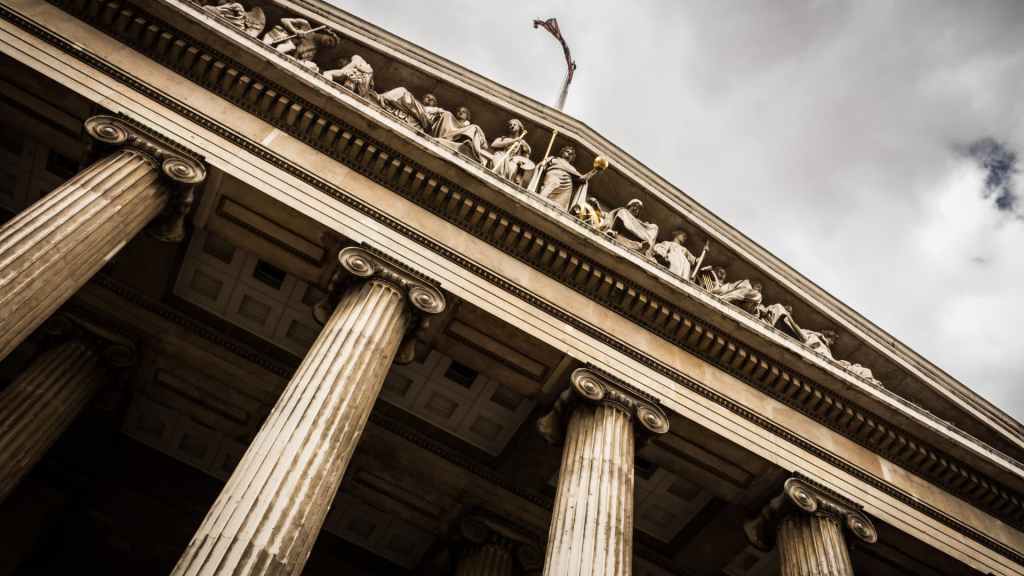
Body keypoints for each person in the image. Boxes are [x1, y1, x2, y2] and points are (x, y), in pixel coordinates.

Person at [261, 17, 338, 72]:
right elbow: (284, 20)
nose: (328, 43)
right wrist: (294, 31)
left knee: (289, 47)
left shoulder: (311, 52)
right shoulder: (305, 25)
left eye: (330, 45)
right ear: (327, 34)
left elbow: (299, 63)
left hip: (279, 56)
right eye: (330, 40)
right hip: (273, 39)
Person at [535, 146, 596, 211]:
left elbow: (582, 178)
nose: (569, 154)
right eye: (567, 152)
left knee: (561, 204)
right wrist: (543, 165)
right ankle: (538, 201)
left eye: (571, 154)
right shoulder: (553, 158)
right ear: (562, 152)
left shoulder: (572, 168)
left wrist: (595, 169)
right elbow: (543, 164)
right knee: (549, 188)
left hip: (567, 184)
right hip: (554, 174)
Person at [489, 119, 534, 186]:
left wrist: (524, 147)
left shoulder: (522, 143)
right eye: (510, 125)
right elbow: (493, 144)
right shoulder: (503, 138)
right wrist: (514, 140)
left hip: (512, 160)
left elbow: (527, 155)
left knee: (512, 167)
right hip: (500, 155)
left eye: (514, 124)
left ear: (519, 128)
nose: (512, 126)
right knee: (498, 160)